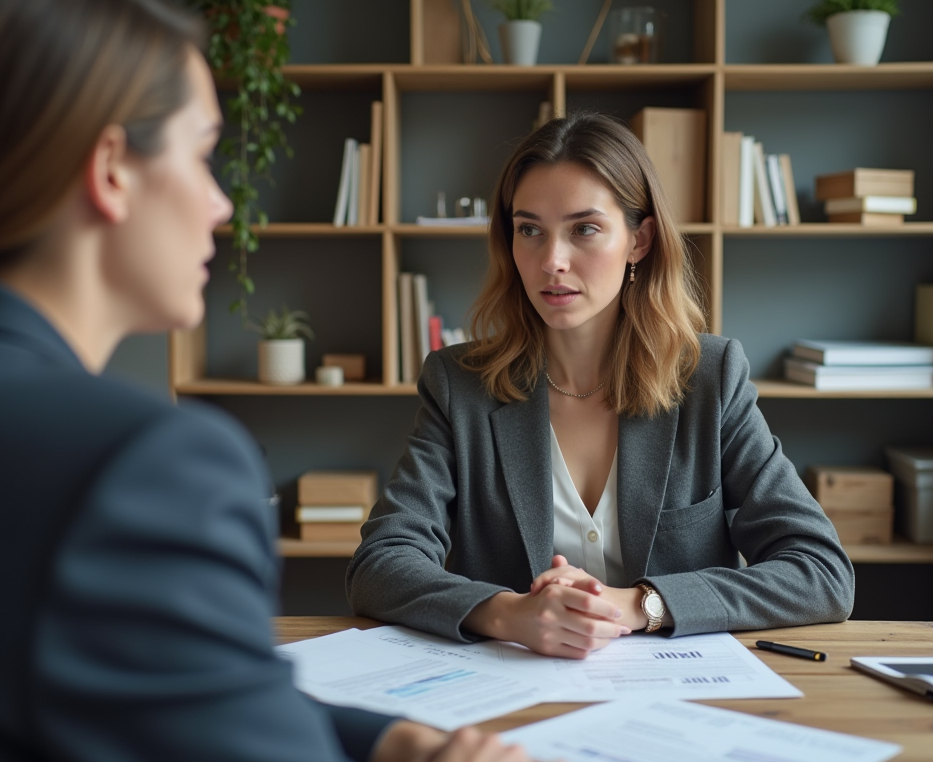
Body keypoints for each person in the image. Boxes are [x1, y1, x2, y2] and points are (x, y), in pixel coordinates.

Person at [0, 2, 578, 762]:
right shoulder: (145, 468)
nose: (221, 204)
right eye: (203, 156)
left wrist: (390, 742)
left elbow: (177, 684)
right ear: (111, 171)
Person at [347, 114, 855, 658]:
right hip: (512, 695)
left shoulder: (710, 378)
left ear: (639, 239)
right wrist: (507, 613)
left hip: (680, 698)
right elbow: (381, 562)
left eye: (584, 229)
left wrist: (641, 606)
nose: (552, 261)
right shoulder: (459, 385)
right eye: (529, 230)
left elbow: (820, 571)